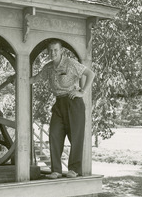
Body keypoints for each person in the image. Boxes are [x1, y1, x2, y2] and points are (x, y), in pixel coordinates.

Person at [30, 40, 95, 179]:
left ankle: (74, 169)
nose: (53, 53)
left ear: (61, 51)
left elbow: (90, 74)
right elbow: (35, 78)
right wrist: (17, 78)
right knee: (54, 134)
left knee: (76, 137)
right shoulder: (48, 68)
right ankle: (56, 170)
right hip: (59, 104)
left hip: (73, 103)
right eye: (50, 50)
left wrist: (82, 92)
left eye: (56, 50)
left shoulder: (70, 64)